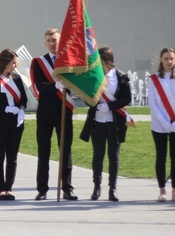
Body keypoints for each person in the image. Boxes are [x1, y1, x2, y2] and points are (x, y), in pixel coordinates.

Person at [79, 47, 132, 202]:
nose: (100, 66)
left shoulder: (121, 77)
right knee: (98, 155)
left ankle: (112, 189)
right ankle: (97, 187)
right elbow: (86, 98)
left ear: (109, 61)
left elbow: (126, 98)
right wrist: (95, 104)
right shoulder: (94, 77)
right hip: (98, 121)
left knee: (113, 156)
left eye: (102, 62)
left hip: (115, 122)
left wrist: (109, 106)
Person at [30, 29, 77, 201]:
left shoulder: (69, 61)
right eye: (49, 40)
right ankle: (42, 189)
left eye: (55, 40)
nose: (52, 43)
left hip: (64, 110)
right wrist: (55, 86)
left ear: (60, 41)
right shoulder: (38, 62)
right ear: (45, 43)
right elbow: (39, 86)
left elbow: (76, 84)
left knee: (65, 150)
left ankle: (67, 188)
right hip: (45, 112)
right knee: (44, 151)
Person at [0, 49, 27, 200]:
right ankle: (0, 189)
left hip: (16, 123)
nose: (15, 66)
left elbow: (24, 98)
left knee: (12, 157)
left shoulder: (16, 78)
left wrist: (21, 109)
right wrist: (6, 108)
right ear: (5, 62)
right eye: (13, 63)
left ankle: (9, 188)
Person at [148, 47, 175, 202]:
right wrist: (165, 123)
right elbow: (152, 103)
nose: (169, 61)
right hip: (159, 124)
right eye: (166, 58)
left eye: (171, 58)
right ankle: (162, 190)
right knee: (161, 156)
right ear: (161, 59)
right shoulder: (153, 79)